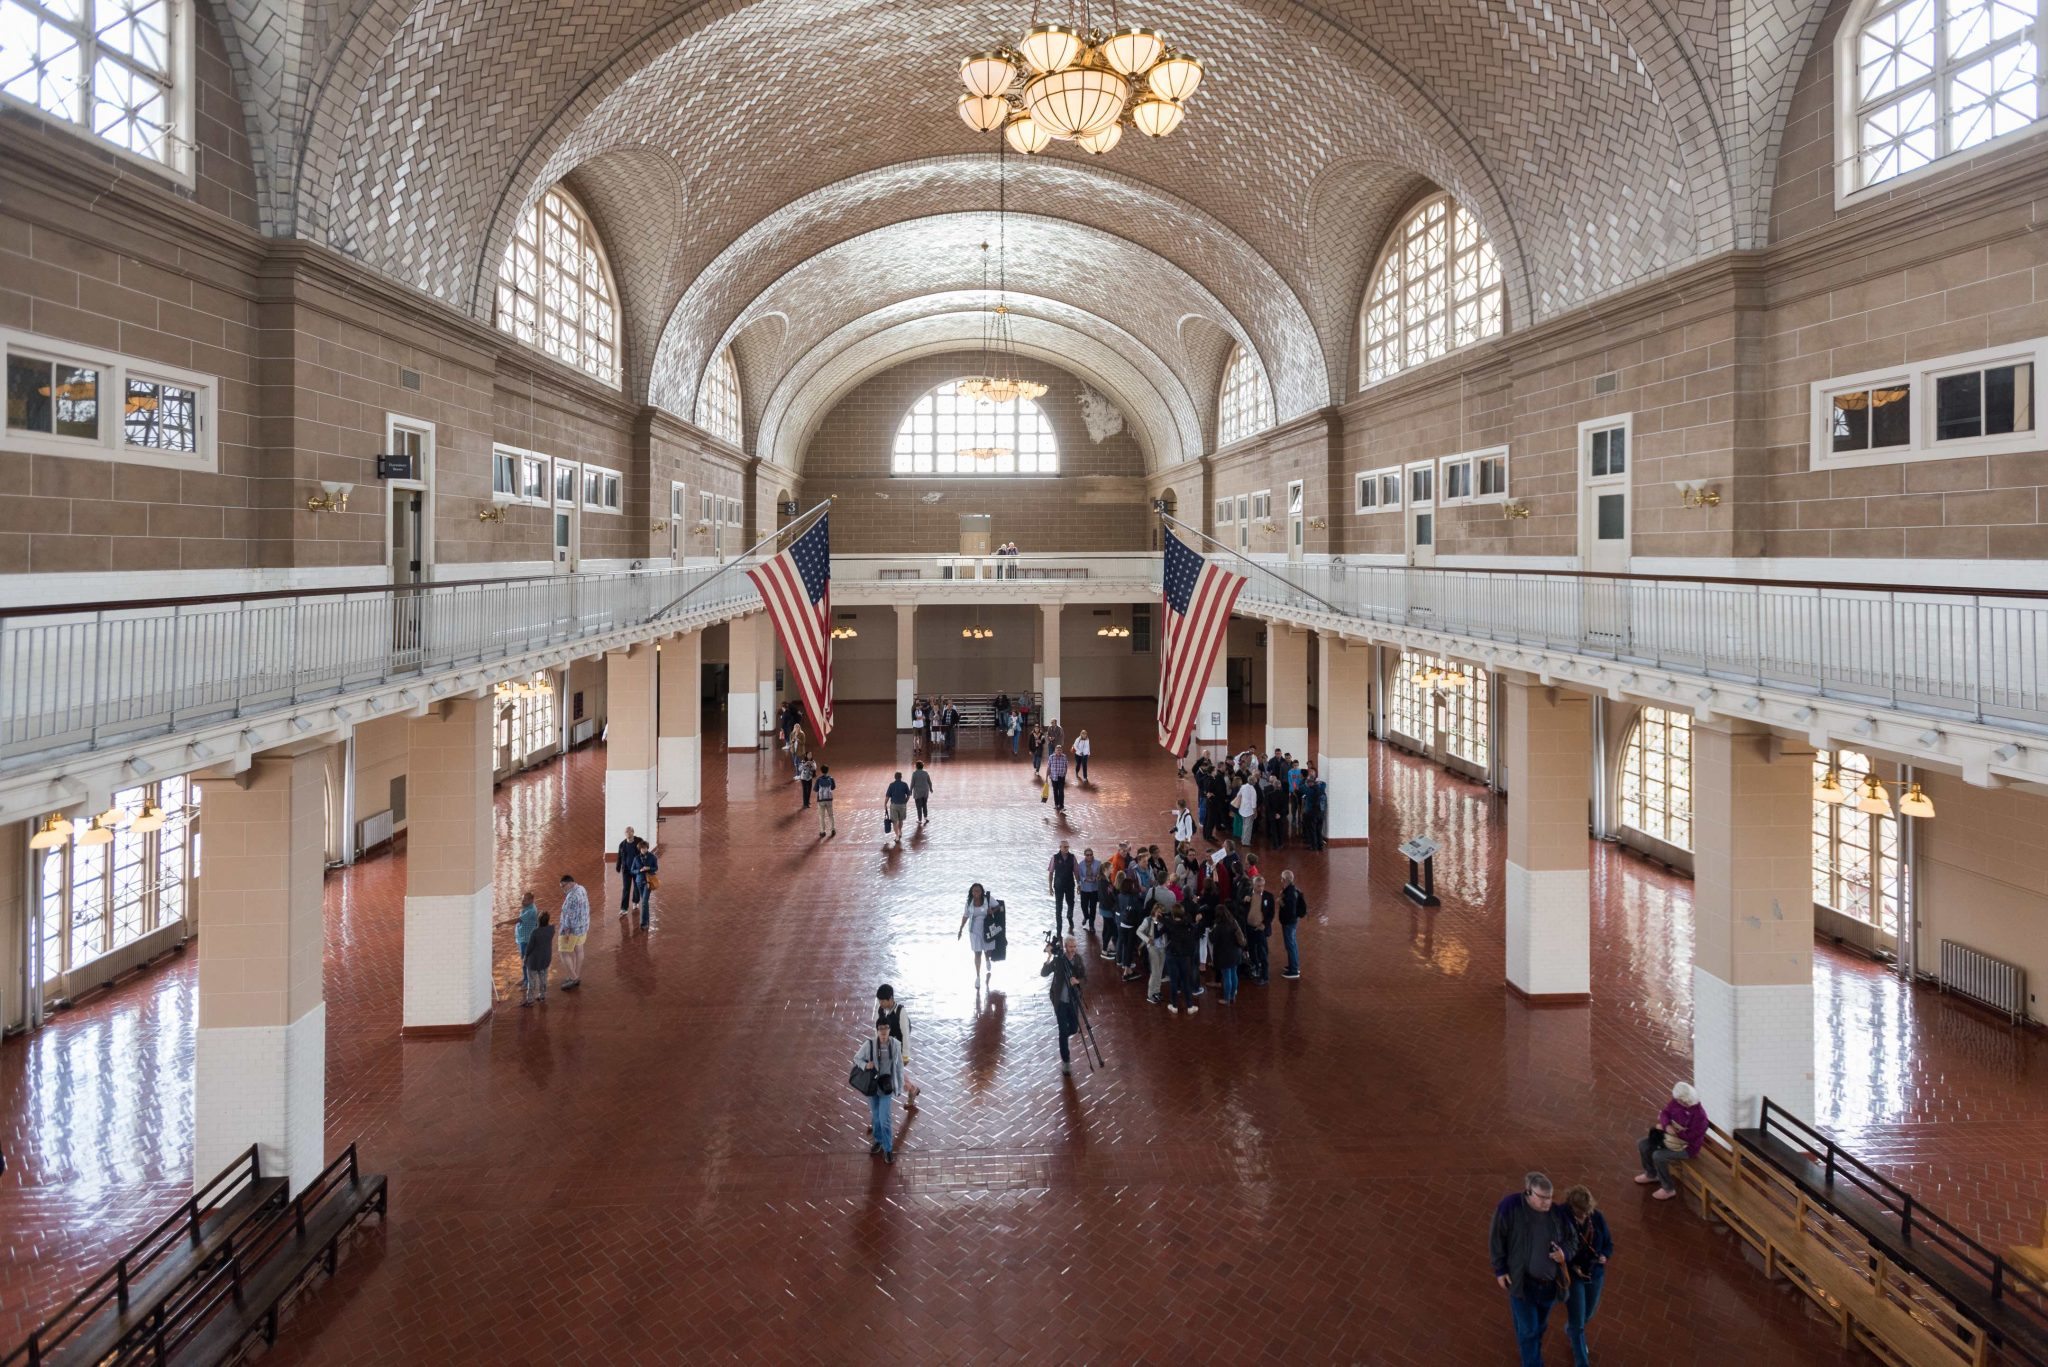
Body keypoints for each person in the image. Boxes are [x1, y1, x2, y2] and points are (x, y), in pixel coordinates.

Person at [1490, 1172, 1576, 1367]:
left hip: (1549, 1287)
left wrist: (1565, 1253)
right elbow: (1497, 1238)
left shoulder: (1558, 1214)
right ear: (1529, 1193)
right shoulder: (1510, 1207)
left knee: (1539, 1327)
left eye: (1551, 1197)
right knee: (1529, 1330)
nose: (1548, 1202)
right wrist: (1500, 1269)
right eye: (1542, 1198)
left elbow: (1573, 1241)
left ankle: (1531, 1349)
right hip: (1522, 1283)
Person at [1562, 1186, 1613, 1367]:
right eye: (1579, 1213)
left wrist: (1605, 1255)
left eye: (1586, 1212)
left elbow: (1608, 1243)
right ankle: (1581, 1361)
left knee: (1588, 1313)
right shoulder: (1562, 1220)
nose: (1583, 1216)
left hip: (1594, 1273)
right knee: (1578, 1321)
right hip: (1574, 1276)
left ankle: (1571, 1330)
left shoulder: (1596, 1217)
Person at [1636, 1081, 1710, 1199]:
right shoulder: (1677, 1102)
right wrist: (1667, 1126)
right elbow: (1665, 1113)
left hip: (1687, 1148)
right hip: (1670, 1138)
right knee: (1643, 1144)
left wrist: (1675, 1132)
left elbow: (1692, 1137)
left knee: (1658, 1156)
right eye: (1679, 1101)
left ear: (1689, 1100)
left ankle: (1668, 1189)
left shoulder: (1700, 1116)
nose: (1679, 1103)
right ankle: (1651, 1174)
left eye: (1683, 1102)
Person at [854, 1021, 904, 1164]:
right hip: (872, 1087)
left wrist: (899, 1086)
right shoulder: (869, 1045)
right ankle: (878, 1140)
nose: (883, 1032)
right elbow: (856, 1058)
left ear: (889, 1029)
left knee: (885, 1119)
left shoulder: (895, 1045)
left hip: (886, 1087)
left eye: (886, 1029)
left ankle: (888, 1149)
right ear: (877, 1031)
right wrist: (865, 1065)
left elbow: (899, 1066)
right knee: (876, 1118)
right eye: (880, 1029)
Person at [1040, 933, 1087, 1075]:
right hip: (1060, 1002)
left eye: (1075, 947)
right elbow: (1044, 973)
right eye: (1071, 947)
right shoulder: (1059, 960)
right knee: (1062, 1031)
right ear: (1065, 947)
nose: (1073, 949)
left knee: (1073, 1028)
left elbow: (1085, 978)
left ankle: (1064, 1036)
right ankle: (1066, 1061)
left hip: (1073, 1000)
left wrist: (1077, 981)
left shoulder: (1078, 960)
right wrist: (1048, 957)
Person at [875, 984, 920, 1108]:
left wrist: (906, 1055)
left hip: (897, 1050)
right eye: (880, 1001)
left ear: (890, 999)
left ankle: (911, 1089)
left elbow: (905, 1034)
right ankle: (912, 1089)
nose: (881, 1003)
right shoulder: (880, 1011)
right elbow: (877, 1029)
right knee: (895, 1073)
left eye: (883, 1001)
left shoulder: (901, 1012)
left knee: (894, 1073)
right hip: (885, 1049)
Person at [959, 882, 999, 985]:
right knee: (977, 953)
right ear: (971, 892)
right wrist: (960, 929)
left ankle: (987, 960)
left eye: (978, 890)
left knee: (987, 951)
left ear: (981, 892)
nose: (976, 892)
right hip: (974, 931)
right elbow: (965, 916)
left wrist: (992, 911)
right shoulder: (969, 903)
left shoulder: (987, 899)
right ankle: (978, 976)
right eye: (974, 891)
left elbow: (998, 906)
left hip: (987, 928)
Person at [1163, 906, 1200, 1014]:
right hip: (1185, 956)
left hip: (1171, 955)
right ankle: (1189, 1006)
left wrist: (1157, 921)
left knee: (1173, 982)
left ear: (1173, 915)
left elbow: (1158, 933)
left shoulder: (1169, 925)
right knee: (1186, 981)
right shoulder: (1188, 925)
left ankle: (1174, 1005)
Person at [556, 873, 589, 990]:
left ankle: (574, 978)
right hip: (583, 927)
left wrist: (566, 931)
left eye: (563, 886)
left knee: (563, 952)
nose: (562, 889)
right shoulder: (582, 888)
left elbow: (569, 916)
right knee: (578, 951)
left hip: (572, 930)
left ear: (570, 883)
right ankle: (575, 974)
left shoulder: (571, 896)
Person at [1211, 895, 1244, 1003]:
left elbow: (1213, 939)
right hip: (1236, 953)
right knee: (1234, 973)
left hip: (1224, 955)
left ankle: (1227, 998)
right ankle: (1233, 994)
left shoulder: (1219, 927)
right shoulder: (1233, 921)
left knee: (1226, 976)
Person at [1138, 898, 1168, 1003]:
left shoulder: (1163, 921)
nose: (1161, 914)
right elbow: (1139, 931)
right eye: (1159, 912)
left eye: (1162, 912)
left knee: (1160, 971)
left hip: (1162, 948)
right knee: (1155, 971)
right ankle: (1150, 994)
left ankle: (1157, 991)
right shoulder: (1148, 920)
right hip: (1153, 948)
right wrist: (1147, 940)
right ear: (1155, 911)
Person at [1278, 869, 1307, 979]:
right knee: (1291, 944)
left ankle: (1294, 970)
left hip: (1289, 923)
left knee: (1290, 945)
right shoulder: (1291, 890)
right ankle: (1293, 965)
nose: (1281, 880)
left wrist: (1281, 902)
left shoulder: (1290, 893)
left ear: (1285, 880)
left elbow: (1290, 910)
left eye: (1282, 878)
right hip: (1291, 922)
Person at [521, 911, 554, 1005]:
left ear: (538, 921)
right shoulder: (551, 930)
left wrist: (525, 957)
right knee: (543, 978)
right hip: (545, 959)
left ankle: (530, 1000)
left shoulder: (535, 933)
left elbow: (530, 947)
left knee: (531, 981)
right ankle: (542, 995)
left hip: (534, 961)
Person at [1047, 840, 1079, 934]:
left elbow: (1076, 872)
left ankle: (1069, 916)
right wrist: (1050, 887)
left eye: (1068, 847)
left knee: (1071, 903)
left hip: (1069, 885)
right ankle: (1059, 926)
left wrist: (1079, 884)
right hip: (1058, 886)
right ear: (1060, 847)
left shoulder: (1072, 857)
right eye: (1064, 847)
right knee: (1058, 906)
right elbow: (1051, 872)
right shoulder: (1055, 858)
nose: (1066, 849)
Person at [1076, 846, 1105, 944]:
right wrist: (1084, 880)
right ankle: (1086, 916)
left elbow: (1101, 873)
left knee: (1093, 907)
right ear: (1085, 855)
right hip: (1084, 889)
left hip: (1094, 889)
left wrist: (1096, 878)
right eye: (1087, 855)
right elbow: (1079, 876)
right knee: (1084, 906)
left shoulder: (1098, 863)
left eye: (1091, 855)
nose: (1089, 856)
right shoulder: (1081, 865)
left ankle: (1091, 924)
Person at [513, 890, 538, 988]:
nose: (522, 902)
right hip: (522, 939)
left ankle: (528, 982)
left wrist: (503, 923)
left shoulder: (531, 911)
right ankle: (525, 979)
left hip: (527, 940)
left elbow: (518, 920)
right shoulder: (527, 907)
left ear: (531, 900)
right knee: (524, 960)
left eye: (525, 900)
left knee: (526, 961)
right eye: (522, 900)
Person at [632, 836, 658, 931]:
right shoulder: (636, 858)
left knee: (644, 902)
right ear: (639, 849)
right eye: (642, 848)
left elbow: (656, 868)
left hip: (648, 882)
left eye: (645, 848)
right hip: (639, 882)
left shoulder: (652, 857)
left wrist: (649, 868)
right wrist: (639, 870)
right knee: (644, 902)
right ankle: (646, 920)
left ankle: (644, 923)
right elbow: (632, 870)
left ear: (647, 848)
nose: (643, 850)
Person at [615, 826, 641, 914]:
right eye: (626, 832)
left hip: (637, 869)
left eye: (630, 832)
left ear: (633, 832)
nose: (628, 833)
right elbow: (619, 856)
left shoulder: (639, 841)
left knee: (637, 886)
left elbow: (645, 850)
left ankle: (635, 901)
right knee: (626, 888)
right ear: (625, 833)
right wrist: (618, 867)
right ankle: (624, 908)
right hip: (626, 870)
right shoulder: (622, 845)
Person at [884, 770, 911, 848]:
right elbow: (909, 795)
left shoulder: (891, 785)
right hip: (902, 805)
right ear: (901, 777)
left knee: (895, 821)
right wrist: (905, 801)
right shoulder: (904, 784)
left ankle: (897, 836)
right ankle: (900, 831)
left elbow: (888, 796)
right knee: (901, 820)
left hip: (894, 805)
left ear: (895, 777)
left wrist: (885, 804)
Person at [815, 764, 837, 838]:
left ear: (821, 771)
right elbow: (833, 787)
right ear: (828, 770)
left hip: (821, 800)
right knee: (831, 815)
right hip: (829, 799)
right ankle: (832, 829)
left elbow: (815, 789)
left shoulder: (818, 779)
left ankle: (822, 831)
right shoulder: (831, 778)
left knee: (822, 816)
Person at [910, 761, 934, 826]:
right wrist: (931, 789)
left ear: (916, 766)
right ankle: (925, 817)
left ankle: (920, 820)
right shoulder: (926, 773)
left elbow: (912, 783)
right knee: (924, 804)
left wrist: (910, 790)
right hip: (925, 791)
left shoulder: (914, 773)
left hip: (918, 792)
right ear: (922, 766)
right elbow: (929, 782)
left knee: (919, 806)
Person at [1046, 744, 1070, 812]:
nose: (1059, 751)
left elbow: (1066, 765)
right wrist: (1046, 777)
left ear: (1061, 751)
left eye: (1060, 750)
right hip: (1053, 777)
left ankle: (1061, 806)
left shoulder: (1064, 757)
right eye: (1057, 750)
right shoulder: (1051, 757)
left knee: (1061, 791)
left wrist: (1065, 773)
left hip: (1061, 777)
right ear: (1055, 750)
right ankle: (1056, 804)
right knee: (1055, 791)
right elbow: (1048, 767)